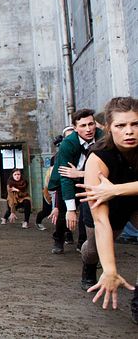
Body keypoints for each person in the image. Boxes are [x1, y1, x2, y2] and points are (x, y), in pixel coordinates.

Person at [75, 97, 138, 320]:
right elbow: (102, 221)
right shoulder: (98, 158)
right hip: (105, 206)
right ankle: (88, 265)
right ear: (109, 128)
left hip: (130, 197)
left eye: (135, 124)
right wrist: (110, 270)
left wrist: (117, 190)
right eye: (121, 126)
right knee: (93, 249)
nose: (129, 131)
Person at [50, 108, 103, 289]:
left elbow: (105, 169)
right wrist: (71, 209)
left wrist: (80, 173)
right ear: (75, 128)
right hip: (68, 181)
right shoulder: (68, 144)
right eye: (83, 125)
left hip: (92, 182)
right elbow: (65, 176)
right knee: (65, 214)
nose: (88, 129)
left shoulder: (103, 138)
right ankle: (58, 238)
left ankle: (83, 243)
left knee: (88, 221)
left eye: (91, 124)